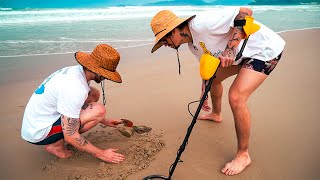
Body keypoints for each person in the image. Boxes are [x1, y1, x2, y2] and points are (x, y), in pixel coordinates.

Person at [150, 7, 285, 175]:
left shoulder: (202, 24)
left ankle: (243, 155)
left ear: (175, 30)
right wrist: (203, 91)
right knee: (212, 79)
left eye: (164, 39)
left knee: (236, 97)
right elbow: (210, 66)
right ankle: (216, 114)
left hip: (264, 51)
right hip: (241, 56)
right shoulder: (192, 45)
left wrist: (230, 48)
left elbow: (245, 11)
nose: (164, 45)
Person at [21, 44, 125, 164]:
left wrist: (104, 121)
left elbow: (81, 96)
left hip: (36, 120)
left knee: (93, 94)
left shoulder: (75, 71)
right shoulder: (75, 89)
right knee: (99, 110)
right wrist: (102, 154)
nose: (106, 78)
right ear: (97, 71)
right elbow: (71, 135)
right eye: (106, 75)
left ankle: (58, 138)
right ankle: (56, 146)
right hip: (38, 131)